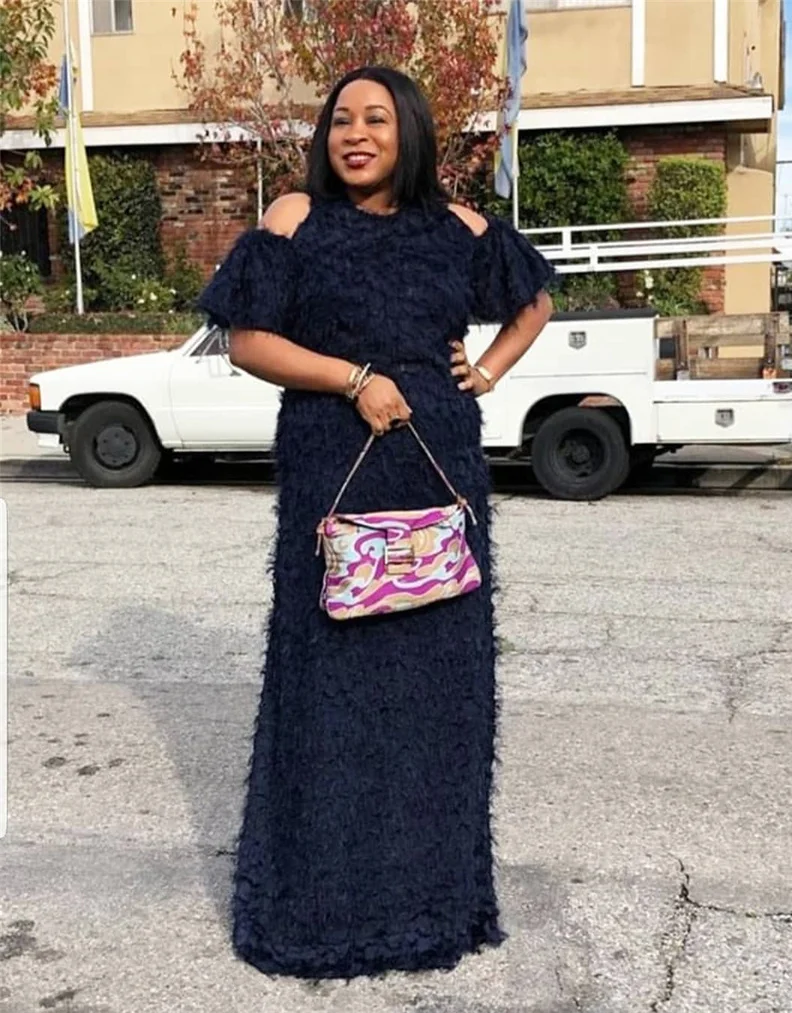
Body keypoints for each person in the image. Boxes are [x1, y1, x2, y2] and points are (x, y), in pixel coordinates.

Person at [197, 65, 555, 980]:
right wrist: (353, 378)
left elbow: (535, 298)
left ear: (411, 132)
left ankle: (435, 902)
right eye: (341, 120)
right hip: (333, 464)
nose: (355, 135)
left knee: (438, 688)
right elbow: (247, 340)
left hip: (438, 462)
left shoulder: (457, 226)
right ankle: (319, 908)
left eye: (377, 119)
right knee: (331, 683)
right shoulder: (294, 218)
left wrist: (489, 369)